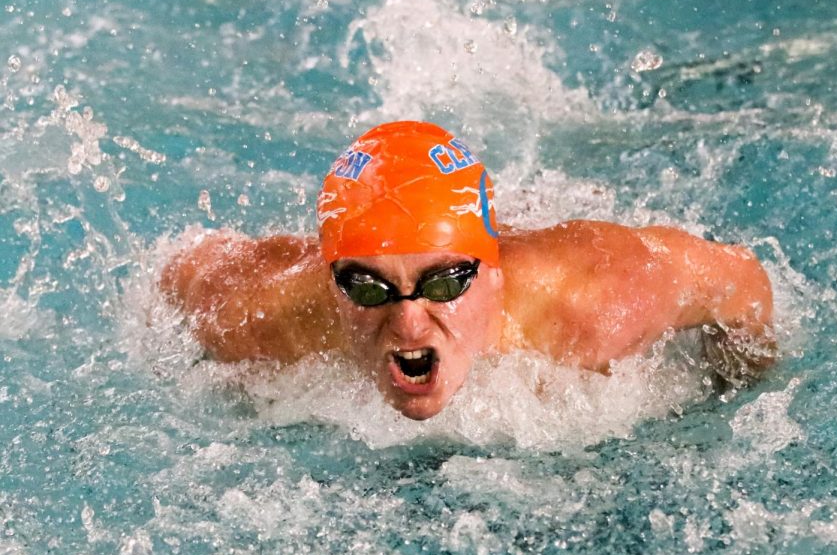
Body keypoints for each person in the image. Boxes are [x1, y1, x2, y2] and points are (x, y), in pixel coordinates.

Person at [161, 121, 776, 420]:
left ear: (494, 272)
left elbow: (744, 281)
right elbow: (177, 268)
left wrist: (735, 391)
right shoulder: (262, 315)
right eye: (367, 285)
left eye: (445, 283)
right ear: (331, 282)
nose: (407, 321)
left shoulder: (597, 301)